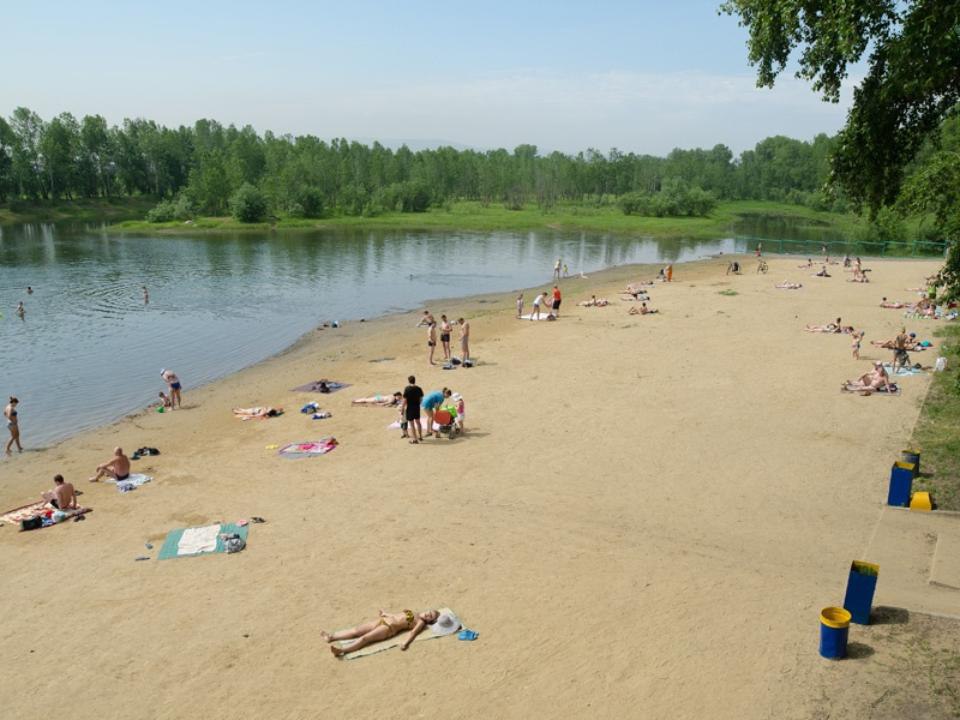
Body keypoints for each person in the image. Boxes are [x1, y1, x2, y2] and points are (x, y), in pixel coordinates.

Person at [320, 609, 441, 657]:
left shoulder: (420, 622)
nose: (428, 614)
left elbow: (413, 633)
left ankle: (342, 651)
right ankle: (331, 637)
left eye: (430, 616)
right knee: (356, 630)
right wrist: (386, 613)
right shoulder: (415, 612)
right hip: (383, 620)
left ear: (430, 621)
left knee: (365, 638)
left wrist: (405, 643)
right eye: (429, 612)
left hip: (389, 628)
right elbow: (398, 615)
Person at [402, 376, 424, 444]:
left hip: (410, 408)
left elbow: (405, 400)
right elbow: (421, 398)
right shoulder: (418, 388)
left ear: (409, 381)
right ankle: (420, 436)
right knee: (418, 422)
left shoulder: (407, 389)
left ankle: (414, 439)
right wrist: (418, 404)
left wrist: (402, 408)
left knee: (412, 424)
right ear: (415, 380)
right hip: (417, 407)